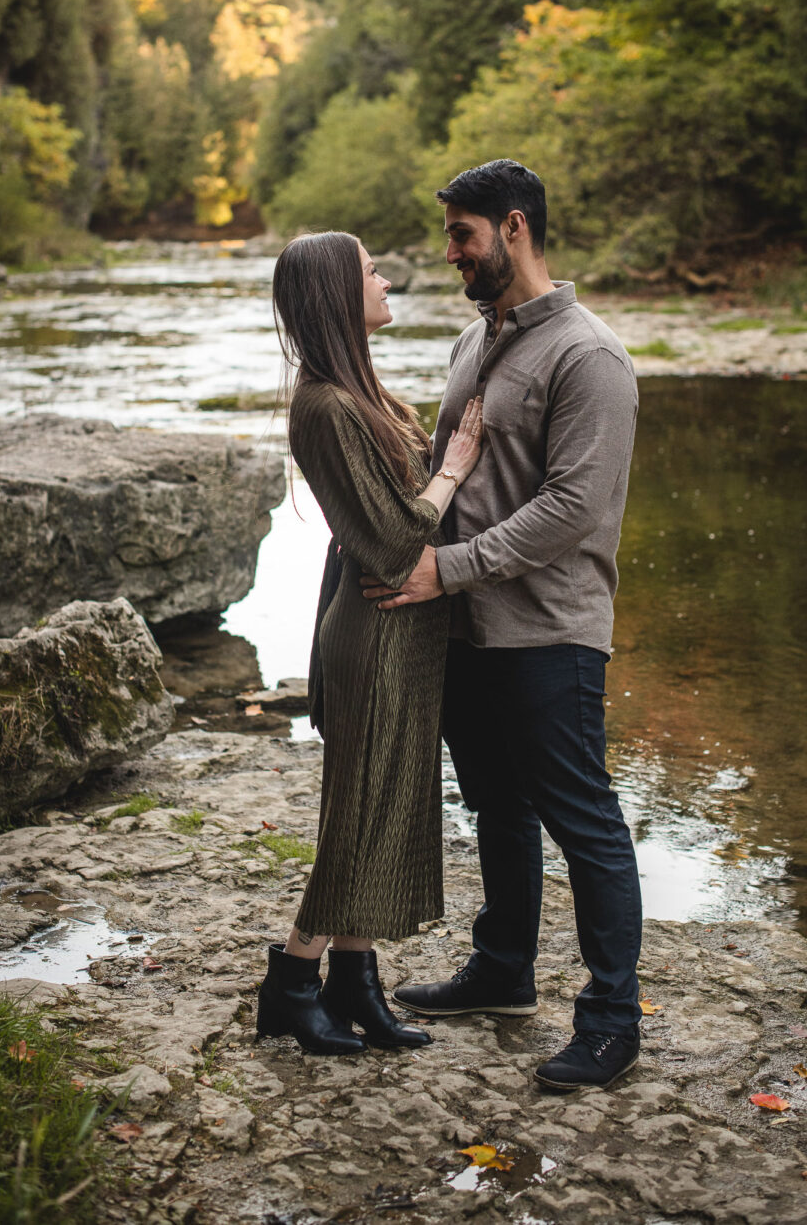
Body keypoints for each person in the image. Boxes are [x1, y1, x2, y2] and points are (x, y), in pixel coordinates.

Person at [360, 159, 643, 1090]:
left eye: (461, 236)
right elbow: (452, 469)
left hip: (552, 632)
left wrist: (449, 567)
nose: (450, 255)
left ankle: (610, 1018)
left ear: (513, 228)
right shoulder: (473, 343)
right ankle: (503, 971)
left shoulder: (588, 355)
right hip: (467, 631)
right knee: (497, 808)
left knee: (584, 821)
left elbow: (573, 506)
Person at [256, 230, 484, 1056]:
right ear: (333, 299)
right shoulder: (328, 405)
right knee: (357, 820)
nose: (387, 280)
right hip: (376, 635)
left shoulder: (361, 395)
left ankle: (357, 987)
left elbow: (374, 521)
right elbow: (394, 541)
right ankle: (290, 982)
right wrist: (454, 466)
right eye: (370, 273)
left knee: (384, 810)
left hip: (403, 635)